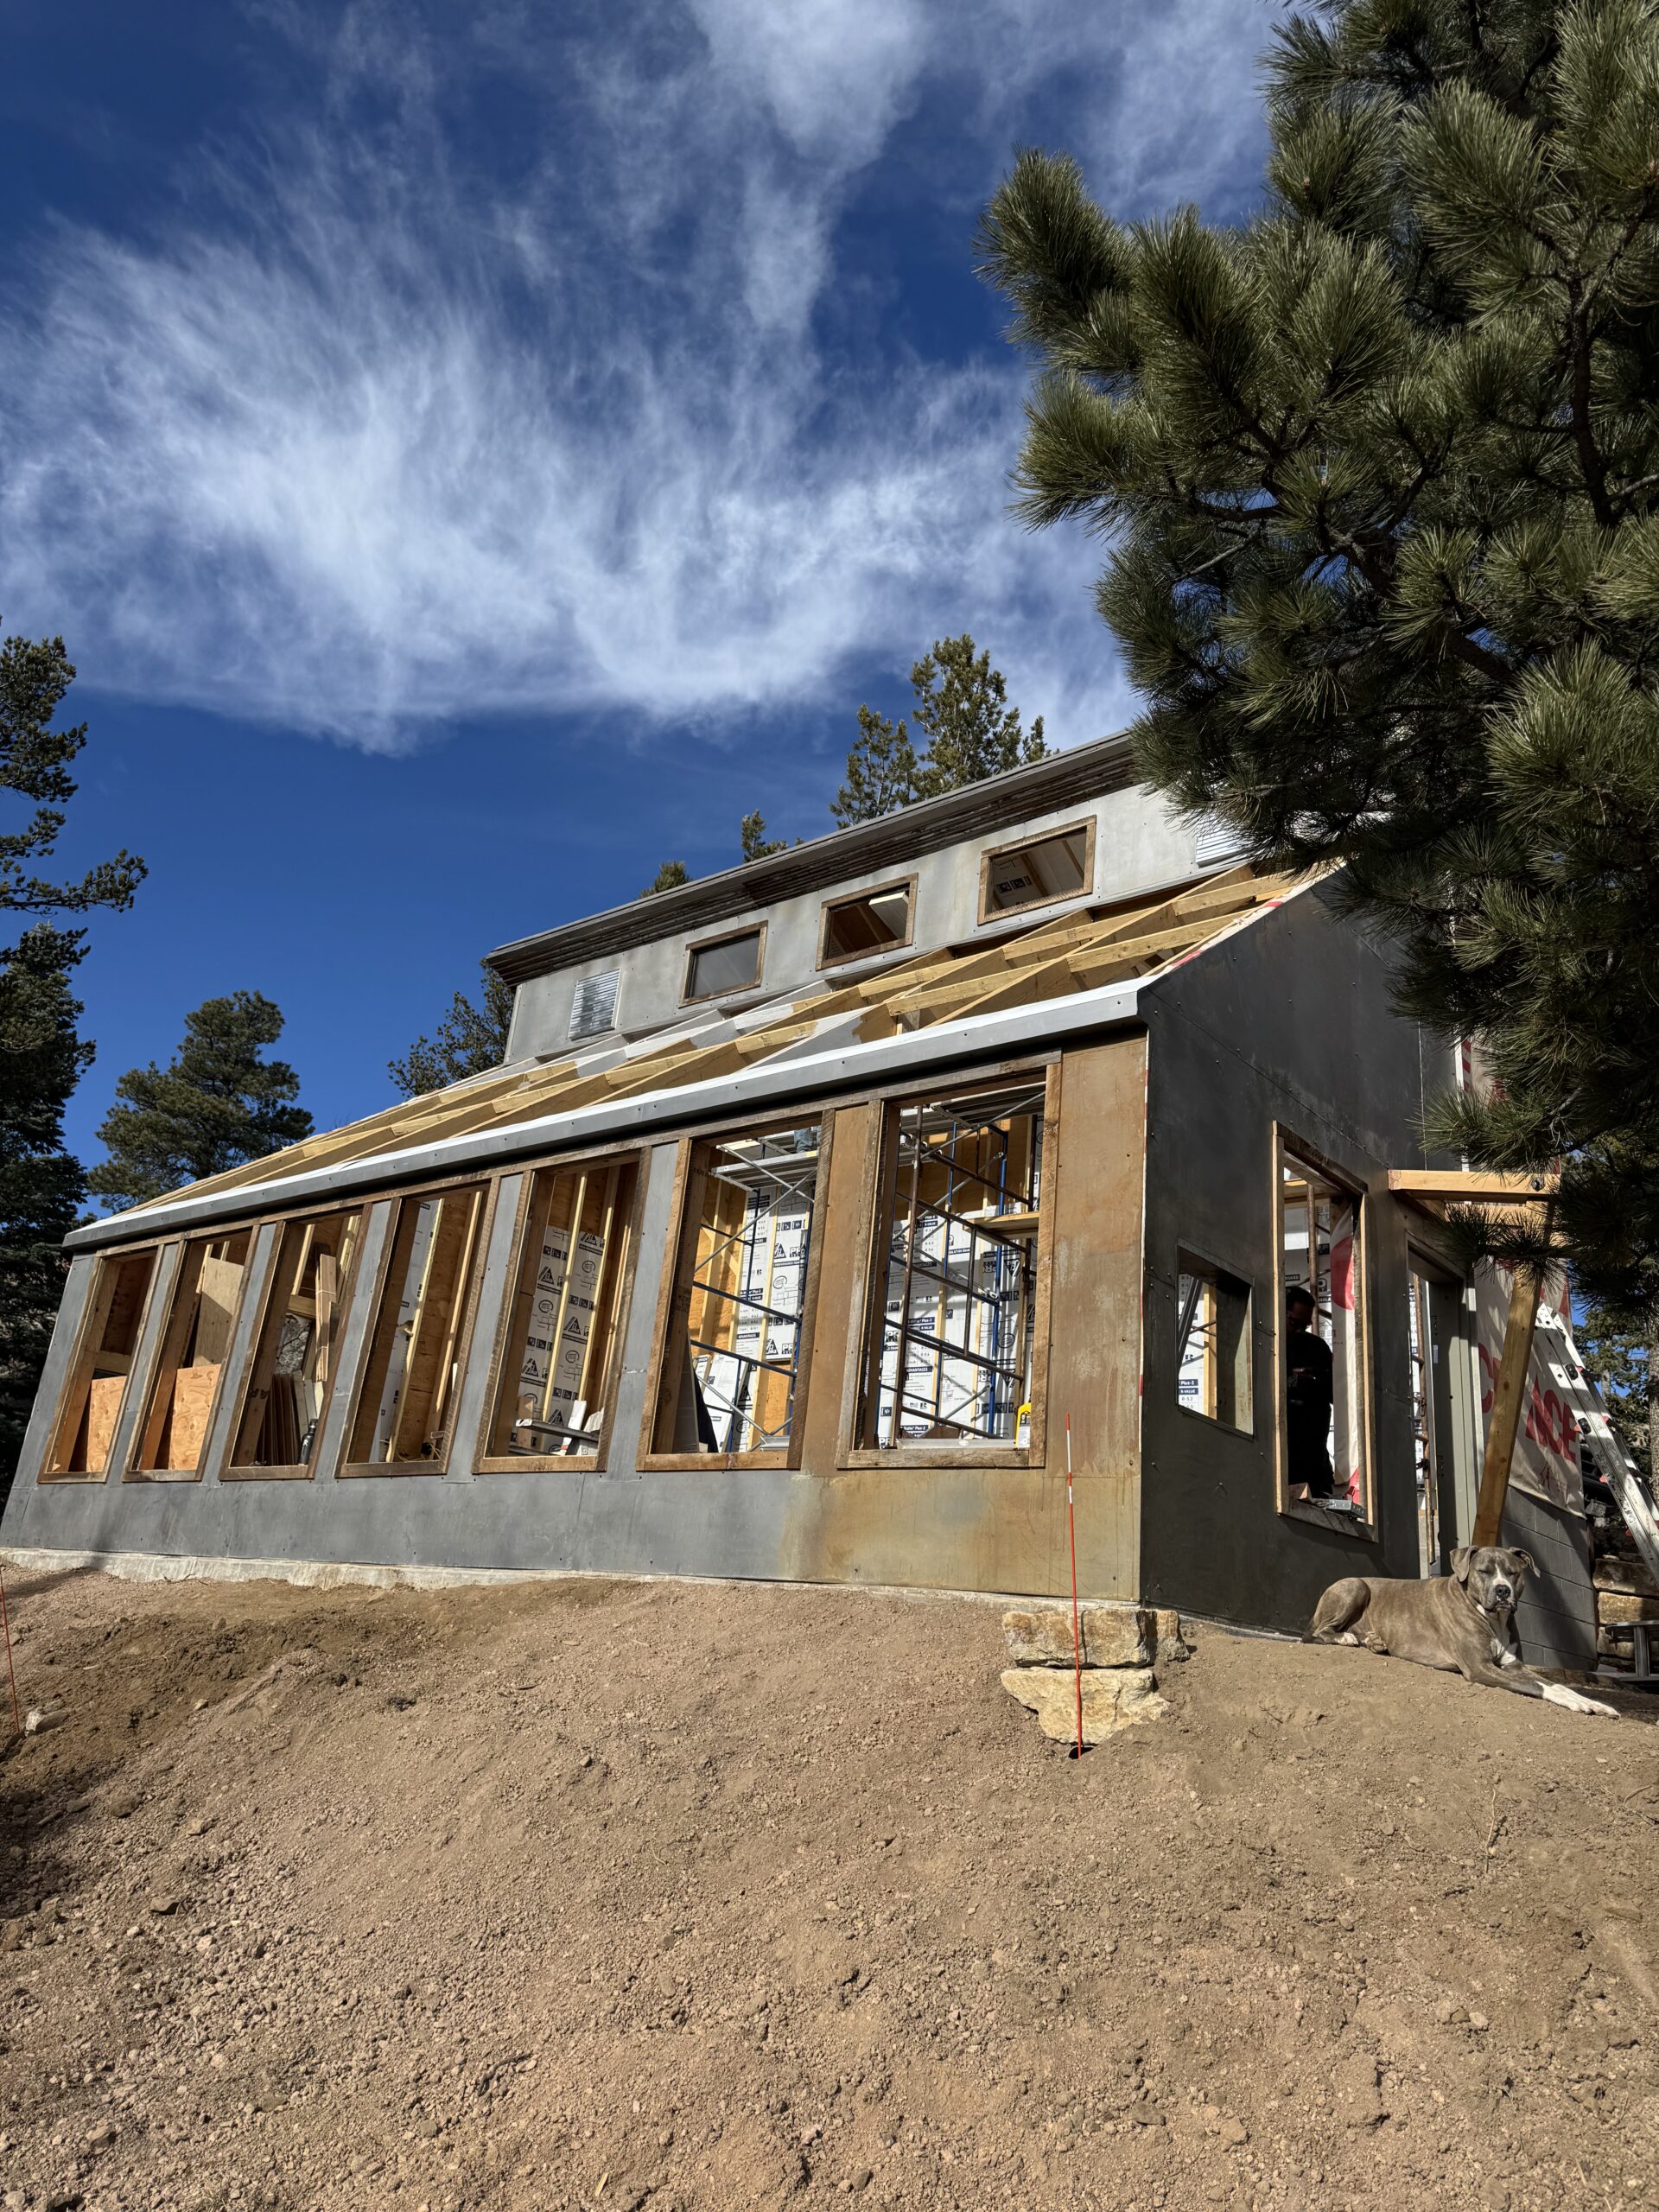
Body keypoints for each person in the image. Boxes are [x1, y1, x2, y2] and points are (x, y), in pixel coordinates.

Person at [1284, 1284, 1334, 1501]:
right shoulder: (1263, 1343)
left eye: (1305, 1325)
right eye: (1294, 1323)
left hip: (1312, 1457)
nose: (1298, 1330)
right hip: (1280, 1454)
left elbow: (1333, 1393)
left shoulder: (1316, 1348)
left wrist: (1313, 1381)